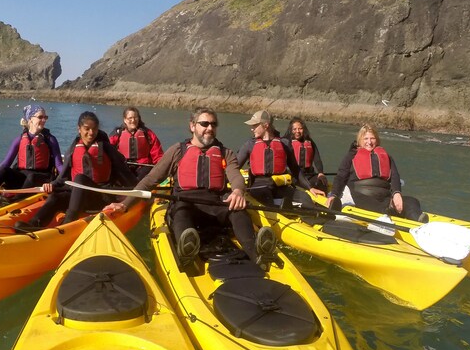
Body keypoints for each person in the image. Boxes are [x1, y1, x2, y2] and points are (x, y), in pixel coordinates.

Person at [104, 107, 277, 270]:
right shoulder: (177, 151)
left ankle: (256, 254)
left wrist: (238, 191)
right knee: (180, 212)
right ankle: (187, 251)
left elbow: (235, 176)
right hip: (186, 202)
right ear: (192, 126)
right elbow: (150, 180)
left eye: (213, 124)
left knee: (238, 211)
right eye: (204, 124)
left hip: (216, 203)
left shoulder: (225, 152)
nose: (210, 128)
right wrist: (125, 204)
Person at [17, 111, 137, 230]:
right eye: (87, 129)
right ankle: (34, 225)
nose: (91, 133)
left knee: (80, 178)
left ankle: (68, 222)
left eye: (94, 129)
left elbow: (126, 176)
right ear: (79, 129)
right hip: (79, 198)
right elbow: (62, 179)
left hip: (101, 198)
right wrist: (52, 185)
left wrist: (134, 193)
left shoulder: (107, 149)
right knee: (55, 197)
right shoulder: (73, 149)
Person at [0, 104, 64, 201]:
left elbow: (59, 164)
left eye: (45, 117)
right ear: (30, 119)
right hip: (23, 179)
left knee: (32, 177)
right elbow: (6, 163)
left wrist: (61, 180)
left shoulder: (50, 139)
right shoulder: (20, 139)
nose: (44, 120)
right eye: (40, 117)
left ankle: (14, 200)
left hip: (42, 178)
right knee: (5, 170)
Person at [325, 123, 425, 221]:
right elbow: (341, 177)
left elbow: (395, 177)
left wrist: (396, 193)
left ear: (376, 140)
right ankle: (387, 215)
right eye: (366, 139)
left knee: (412, 201)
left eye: (372, 138)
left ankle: (419, 221)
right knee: (377, 206)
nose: (369, 142)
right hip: (361, 197)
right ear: (360, 140)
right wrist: (334, 195)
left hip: (385, 197)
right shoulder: (351, 156)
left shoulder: (386, 156)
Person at [237, 110, 324, 207]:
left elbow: (295, 169)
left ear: (266, 126)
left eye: (255, 126)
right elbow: (234, 167)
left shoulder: (284, 143)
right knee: (266, 198)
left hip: (280, 185)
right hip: (259, 186)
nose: (252, 129)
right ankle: (281, 210)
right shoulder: (249, 144)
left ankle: (306, 217)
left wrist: (310, 188)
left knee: (305, 198)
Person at [108, 106, 165, 181]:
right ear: (125, 120)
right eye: (130, 118)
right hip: (124, 166)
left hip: (143, 166)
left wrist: (161, 169)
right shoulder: (117, 134)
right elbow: (108, 151)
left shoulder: (148, 134)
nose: (133, 120)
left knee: (140, 178)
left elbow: (157, 153)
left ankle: (136, 186)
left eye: (135, 117)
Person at [288, 117, 328, 193]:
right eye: (294, 129)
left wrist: (320, 172)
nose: (297, 131)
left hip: (308, 174)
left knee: (320, 182)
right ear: (291, 130)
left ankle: (324, 200)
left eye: (300, 129)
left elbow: (317, 158)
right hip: (293, 176)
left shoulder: (309, 141)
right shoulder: (287, 142)